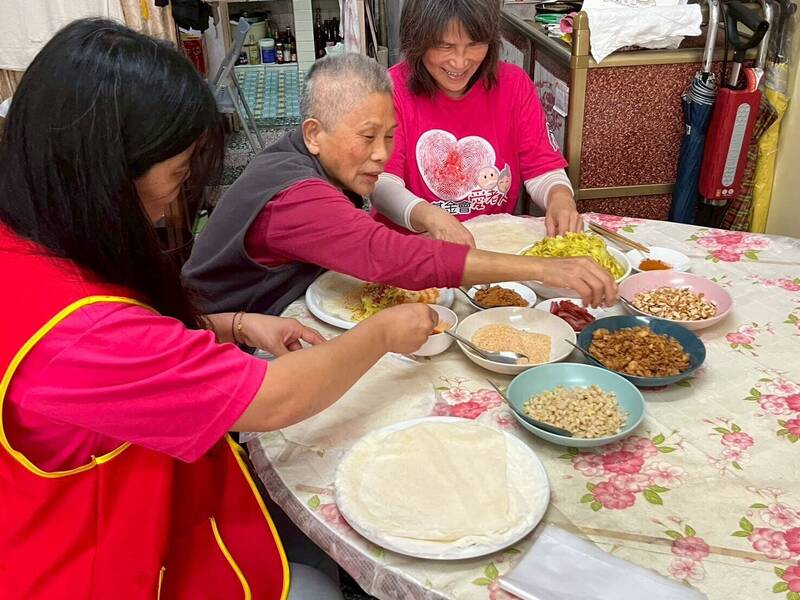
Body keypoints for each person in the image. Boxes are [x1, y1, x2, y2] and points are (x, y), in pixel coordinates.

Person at [0, 20, 436, 599]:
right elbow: (275, 398)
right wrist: (381, 334)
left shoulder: (25, 241)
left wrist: (230, 325)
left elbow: (123, 362)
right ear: (105, 171)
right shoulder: (84, 337)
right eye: (178, 176)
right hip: (97, 564)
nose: (169, 207)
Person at [183, 54, 616, 317]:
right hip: (221, 351)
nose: (381, 154)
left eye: (389, 136)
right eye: (367, 136)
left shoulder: (302, 156)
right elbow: (386, 255)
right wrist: (546, 270)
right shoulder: (295, 196)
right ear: (314, 133)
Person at [369, 0, 583, 247]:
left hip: (489, 249)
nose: (460, 62)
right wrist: (431, 217)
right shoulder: (392, 90)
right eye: (444, 46)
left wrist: (560, 198)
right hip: (410, 251)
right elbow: (381, 184)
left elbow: (542, 169)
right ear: (416, 40)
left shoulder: (514, 85)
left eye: (474, 44)